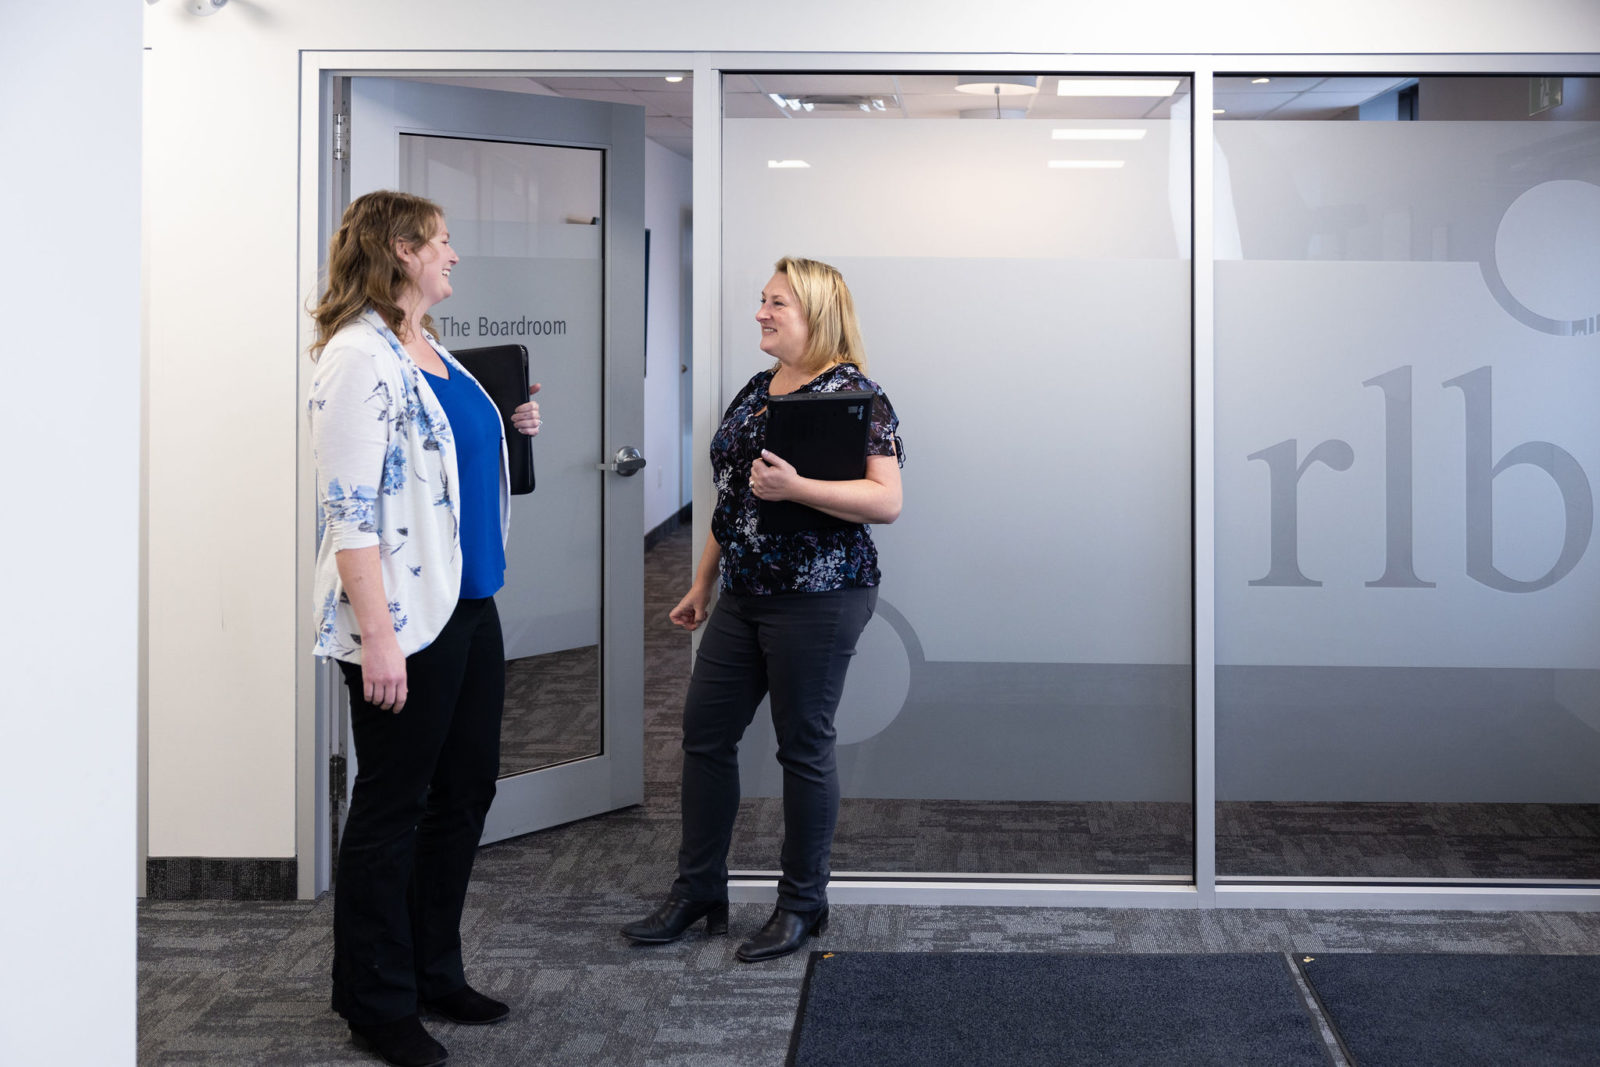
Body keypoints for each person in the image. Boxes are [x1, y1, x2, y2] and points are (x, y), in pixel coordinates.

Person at [307, 190, 542, 1067]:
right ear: (400, 251)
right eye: (441, 243)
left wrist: (507, 425)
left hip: (469, 603)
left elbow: (448, 458)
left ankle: (433, 966)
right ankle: (375, 999)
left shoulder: (429, 349)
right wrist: (377, 635)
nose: (453, 256)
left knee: (465, 792)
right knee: (391, 808)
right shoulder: (357, 356)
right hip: (404, 621)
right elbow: (349, 508)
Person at [622, 256, 904, 963]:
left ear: (815, 312)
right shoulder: (756, 390)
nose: (760, 312)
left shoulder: (855, 396)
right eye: (761, 300)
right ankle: (699, 891)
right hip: (744, 594)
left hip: (821, 595)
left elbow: (886, 500)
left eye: (776, 302)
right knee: (703, 733)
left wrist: (801, 487)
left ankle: (804, 902)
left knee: (802, 745)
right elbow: (735, 497)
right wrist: (701, 582)